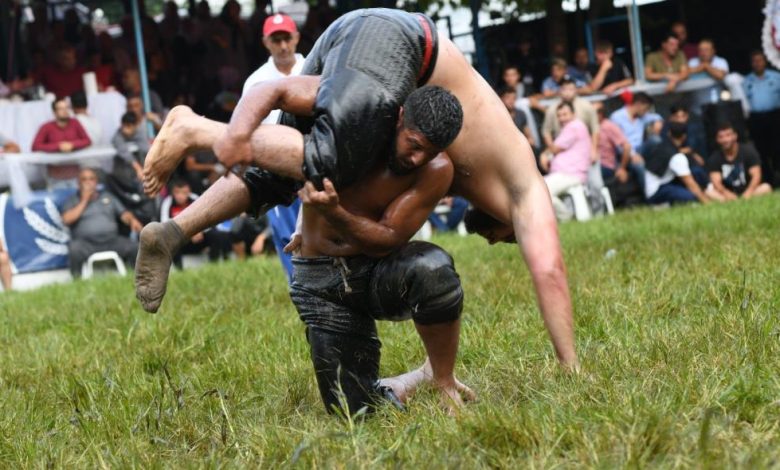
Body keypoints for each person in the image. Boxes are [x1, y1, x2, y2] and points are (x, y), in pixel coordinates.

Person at [138, 8, 579, 371]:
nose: (503, 240)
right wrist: (570, 364)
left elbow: (378, 210)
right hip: (398, 44)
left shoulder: (444, 163)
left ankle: (173, 232)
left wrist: (313, 215)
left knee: (281, 174)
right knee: (328, 157)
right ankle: (194, 128)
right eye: (508, 238)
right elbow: (550, 270)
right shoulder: (526, 188)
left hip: (366, 44)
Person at [289, 153, 472, 415]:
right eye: (415, 142)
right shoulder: (339, 138)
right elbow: (257, 172)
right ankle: (411, 380)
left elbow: (386, 238)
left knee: (432, 269)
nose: (417, 154)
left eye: (428, 147)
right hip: (322, 281)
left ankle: (441, 377)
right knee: (353, 412)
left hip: (381, 267)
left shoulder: (436, 165)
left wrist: (334, 213)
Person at [241, 12, 306, 281]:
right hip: (275, 167)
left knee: (323, 232)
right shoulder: (256, 81)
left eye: (286, 38)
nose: (283, 45)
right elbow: (246, 130)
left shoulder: (314, 69)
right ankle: (299, 290)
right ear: (266, 42)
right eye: (276, 40)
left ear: (296, 38)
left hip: (315, 162)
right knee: (286, 235)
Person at [61, 167, 143, 278]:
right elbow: (66, 220)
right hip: (86, 244)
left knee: (134, 247)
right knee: (74, 249)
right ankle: (77, 281)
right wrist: (84, 200)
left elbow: (124, 214)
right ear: (78, 184)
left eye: (91, 179)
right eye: (84, 179)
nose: (88, 182)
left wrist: (132, 220)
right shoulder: (72, 200)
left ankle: (136, 277)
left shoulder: (107, 196)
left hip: (111, 241)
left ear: (96, 182)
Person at [160, 179, 233, 268]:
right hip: (182, 240)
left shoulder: (195, 199)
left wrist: (199, 230)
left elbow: (206, 219)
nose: (180, 196)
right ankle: (180, 270)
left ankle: (214, 265)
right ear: (173, 193)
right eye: (177, 192)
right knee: (171, 240)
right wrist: (189, 233)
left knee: (217, 235)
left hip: (198, 237)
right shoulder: (167, 202)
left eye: (184, 193)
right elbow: (166, 225)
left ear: (189, 192)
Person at [539, 102, 592, 220]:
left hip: (570, 174)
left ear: (573, 114)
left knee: (540, 190)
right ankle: (565, 216)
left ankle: (565, 217)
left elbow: (554, 149)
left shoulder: (574, 126)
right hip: (566, 173)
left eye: (565, 114)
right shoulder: (571, 127)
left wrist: (545, 143)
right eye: (559, 115)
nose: (561, 118)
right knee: (540, 189)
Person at [643, 122, 710, 205]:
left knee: (696, 173)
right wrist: (706, 203)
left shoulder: (663, 145)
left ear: (669, 133)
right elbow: (690, 183)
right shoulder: (677, 157)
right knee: (691, 198)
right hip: (656, 192)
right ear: (684, 136)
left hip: (665, 183)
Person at [705, 122, 772, 201]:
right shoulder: (714, 158)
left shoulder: (748, 152)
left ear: (735, 136)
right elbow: (716, 182)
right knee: (709, 192)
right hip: (727, 194)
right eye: (721, 137)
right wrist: (728, 194)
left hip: (749, 190)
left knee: (766, 187)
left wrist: (748, 193)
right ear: (717, 139)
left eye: (728, 135)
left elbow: (756, 175)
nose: (725, 140)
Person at [31, 97, 92, 183]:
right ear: (54, 112)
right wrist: (58, 146)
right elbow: (35, 146)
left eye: (66, 108)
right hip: (56, 177)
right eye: (61, 109)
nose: (65, 111)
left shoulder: (75, 123)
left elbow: (87, 140)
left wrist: (72, 145)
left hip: (76, 176)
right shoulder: (46, 127)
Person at [743, 51, 780, 186]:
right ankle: (768, 181)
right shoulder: (746, 81)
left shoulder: (776, 77)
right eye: (754, 61)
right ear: (751, 63)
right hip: (756, 119)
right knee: (761, 150)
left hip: (775, 117)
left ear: (765, 61)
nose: (757, 63)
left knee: (777, 148)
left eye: (760, 60)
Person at [541, 78, 599, 159]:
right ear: (560, 90)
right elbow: (546, 131)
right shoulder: (552, 109)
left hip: (583, 148)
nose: (567, 93)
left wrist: (593, 149)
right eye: (564, 89)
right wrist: (552, 148)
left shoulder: (586, 106)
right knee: (544, 158)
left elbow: (595, 129)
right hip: (560, 149)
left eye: (571, 89)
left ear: (576, 90)